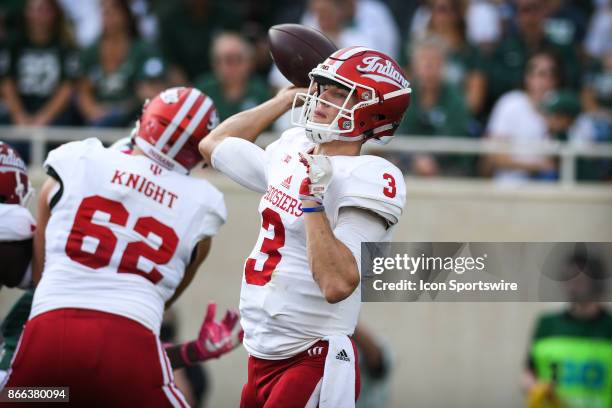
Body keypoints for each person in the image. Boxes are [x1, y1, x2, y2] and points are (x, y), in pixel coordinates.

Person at [1, 87, 242, 406]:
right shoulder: (202, 207)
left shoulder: (76, 161)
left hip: (50, 335)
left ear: (146, 119)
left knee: (20, 397)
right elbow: (158, 307)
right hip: (129, 345)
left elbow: (43, 273)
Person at [200, 46, 410, 407]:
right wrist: (283, 101)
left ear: (372, 111)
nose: (321, 98)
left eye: (338, 92)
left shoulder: (372, 177)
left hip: (313, 355)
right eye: (321, 88)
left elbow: (337, 282)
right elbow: (213, 143)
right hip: (262, 355)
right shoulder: (295, 147)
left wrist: (313, 202)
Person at [523, 252, 612, 408]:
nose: (572, 285)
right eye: (567, 279)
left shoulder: (608, 326)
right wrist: (536, 389)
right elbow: (529, 373)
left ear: (595, 283)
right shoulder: (547, 324)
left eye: (579, 280)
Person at [77, 0, 167, 127]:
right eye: (104, 12)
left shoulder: (143, 49)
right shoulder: (91, 51)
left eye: (113, 11)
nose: (108, 16)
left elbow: (150, 90)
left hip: (135, 116)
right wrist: (95, 112)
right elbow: (83, 92)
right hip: (99, 118)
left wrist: (126, 108)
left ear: (125, 14)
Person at [483, 50, 562, 183]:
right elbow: (495, 156)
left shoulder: (561, 109)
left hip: (547, 192)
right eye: (541, 74)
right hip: (511, 188)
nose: (546, 81)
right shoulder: (511, 103)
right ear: (528, 77)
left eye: (552, 75)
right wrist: (537, 166)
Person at [399, 37, 474, 177]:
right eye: (424, 61)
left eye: (434, 61)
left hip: (447, 166)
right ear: (414, 65)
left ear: (443, 65)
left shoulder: (455, 99)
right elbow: (399, 133)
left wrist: (430, 160)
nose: (428, 66)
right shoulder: (403, 96)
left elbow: (455, 135)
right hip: (409, 163)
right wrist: (416, 159)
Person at [0, 0, 79, 127]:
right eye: (33, 9)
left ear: (54, 13)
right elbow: (6, 82)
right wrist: (19, 115)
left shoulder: (65, 46)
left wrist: (43, 118)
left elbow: (68, 86)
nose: (37, 15)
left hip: (55, 114)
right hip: (19, 111)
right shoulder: (13, 44)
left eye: (42, 9)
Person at [195, 32, 270, 121]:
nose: (227, 68)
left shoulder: (260, 90)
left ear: (249, 61)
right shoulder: (203, 91)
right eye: (219, 61)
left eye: (236, 60)